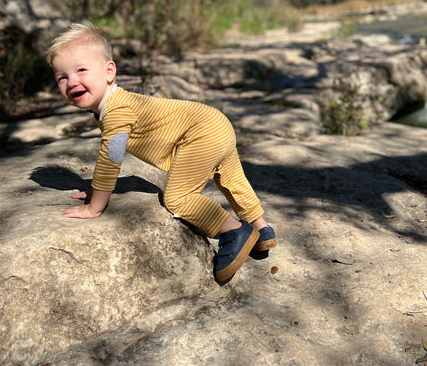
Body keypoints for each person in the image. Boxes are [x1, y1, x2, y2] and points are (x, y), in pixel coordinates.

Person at [46, 21, 276, 285]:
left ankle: (235, 231)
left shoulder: (117, 111)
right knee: (231, 177)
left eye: (81, 70)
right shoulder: (120, 104)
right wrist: (99, 189)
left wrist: (95, 206)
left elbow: (112, 158)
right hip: (213, 121)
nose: (71, 81)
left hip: (200, 131)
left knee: (178, 198)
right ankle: (261, 227)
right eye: (62, 77)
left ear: (109, 71)